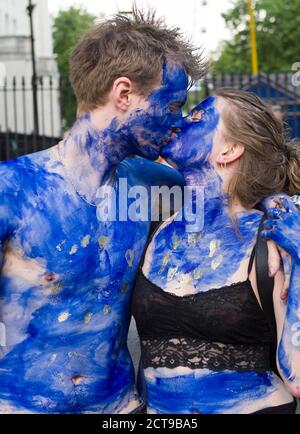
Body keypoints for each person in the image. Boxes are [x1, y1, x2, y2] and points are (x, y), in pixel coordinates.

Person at [0, 11, 206, 414]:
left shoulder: (152, 185)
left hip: (122, 409)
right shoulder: (12, 191)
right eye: (173, 104)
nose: (178, 122)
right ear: (124, 93)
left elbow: (229, 203)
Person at [132, 89, 300, 414]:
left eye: (196, 118)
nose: (181, 122)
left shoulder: (272, 240)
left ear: (230, 150)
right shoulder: (153, 230)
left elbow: (296, 375)